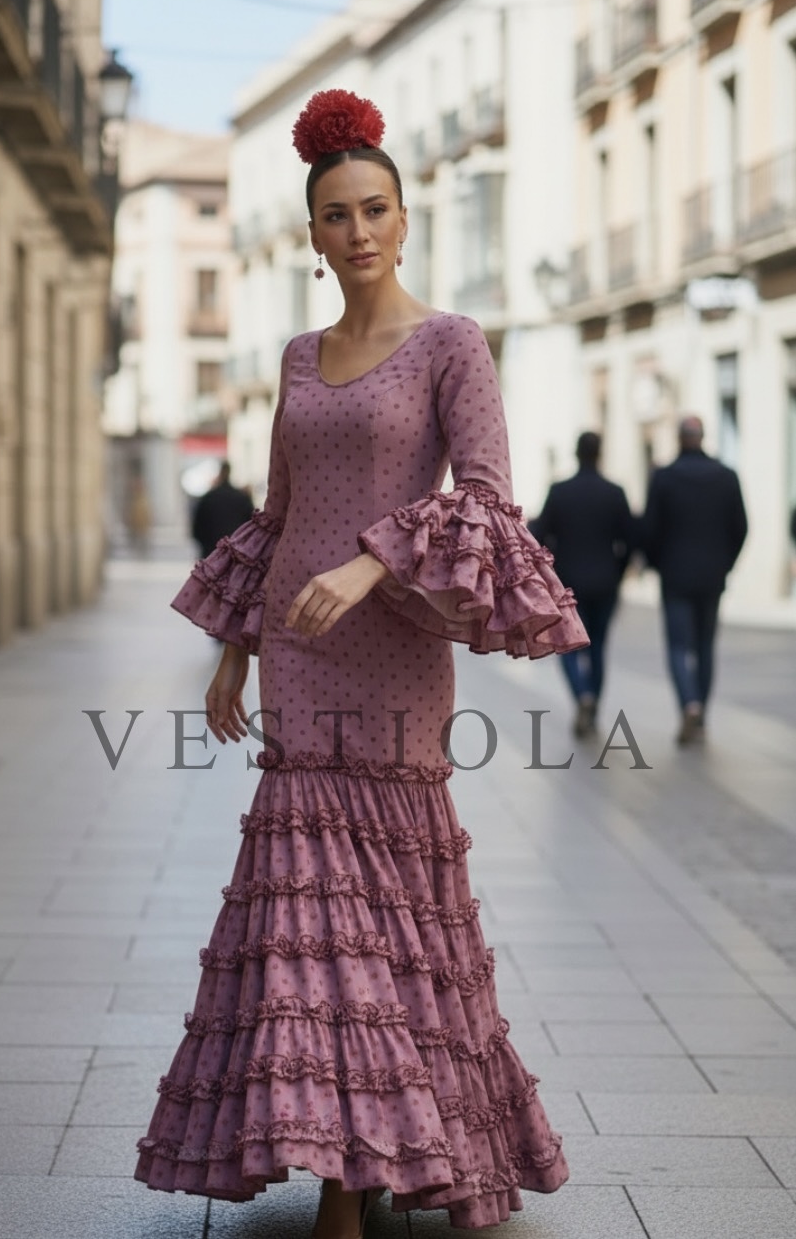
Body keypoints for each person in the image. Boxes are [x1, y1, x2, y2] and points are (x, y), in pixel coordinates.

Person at [134, 89, 587, 1237]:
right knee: (305, 909)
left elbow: (484, 501)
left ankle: (370, 1169)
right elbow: (280, 511)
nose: (359, 233)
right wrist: (236, 650)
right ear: (313, 235)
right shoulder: (296, 353)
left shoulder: (450, 345)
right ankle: (339, 1157)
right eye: (335, 216)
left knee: (386, 904)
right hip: (294, 649)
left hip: (389, 658)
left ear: (404, 214)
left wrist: (374, 568)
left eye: (375, 209)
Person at [641, 415, 747, 745]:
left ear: (679, 438)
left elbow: (649, 529)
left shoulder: (664, 478)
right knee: (704, 646)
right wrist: (725, 564)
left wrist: (658, 564)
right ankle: (700, 716)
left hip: (675, 576)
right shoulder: (726, 476)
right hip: (712, 577)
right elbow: (741, 527)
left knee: (677, 646)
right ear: (702, 437)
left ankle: (689, 704)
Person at [531, 432, 634, 737]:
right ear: (600, 453)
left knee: (568, 646)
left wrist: (551, 565)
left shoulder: (560, 492)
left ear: (576, 454)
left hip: (568, 584)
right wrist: (618, 571)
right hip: (605, 582)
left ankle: (582, 695)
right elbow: (630, 539)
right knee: (599, 645)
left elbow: (538, 534)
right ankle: (593, 701)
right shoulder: (614, 493)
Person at [191, 460, 255, 558]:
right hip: (236, 551)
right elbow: (250, 525)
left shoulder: (209, 497)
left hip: (212, 551)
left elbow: (197, 528)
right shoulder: (241, 498)